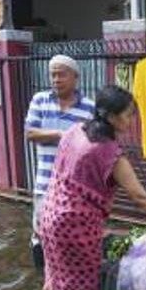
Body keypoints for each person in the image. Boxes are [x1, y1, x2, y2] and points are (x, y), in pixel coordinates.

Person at [39, 86, 146, 290]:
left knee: (53, 277)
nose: (131, 119)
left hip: (49, 214)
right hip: (76, 225)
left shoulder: (74, 131)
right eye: (127, 114)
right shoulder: (109, 153)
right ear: (112, 117)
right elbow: (139, 196)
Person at [25, 55, 95, 267]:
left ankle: (69, 276)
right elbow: (30, 133)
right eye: (53, 74)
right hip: (45, 184)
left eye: (61, 74)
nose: (56, 79)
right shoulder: (40, 100)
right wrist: (59, 135)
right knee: (41, 232)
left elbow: (92, 145)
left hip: (75, 186)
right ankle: (45, 278)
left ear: (75, 77)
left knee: (71, 233)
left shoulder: (89, 107)